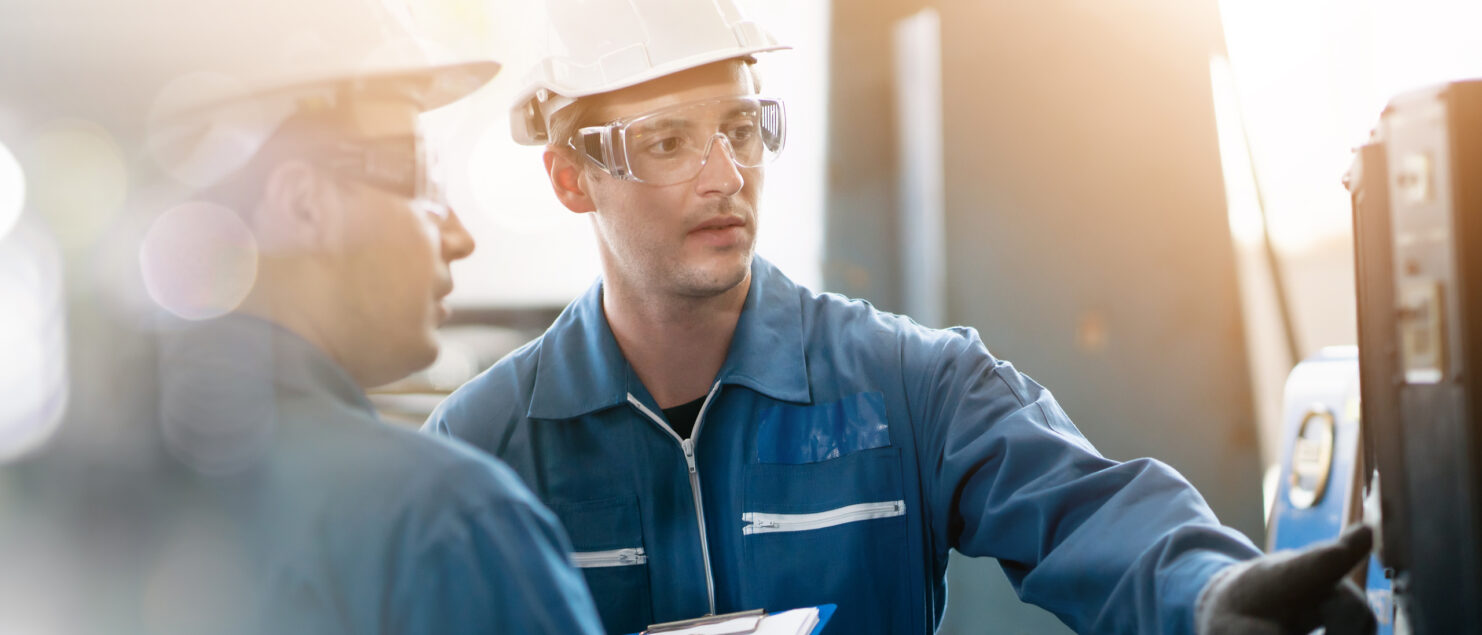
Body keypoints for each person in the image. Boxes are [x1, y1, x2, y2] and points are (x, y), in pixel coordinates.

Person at [426, 1, 1374, 633]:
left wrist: (1208, 594)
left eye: (742, 127)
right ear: (570, 178)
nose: (724, 176)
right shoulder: (484, 450)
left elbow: (1091, 507)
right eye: (668, 141)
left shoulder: (907, 385)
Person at [10, 0, 607, 632]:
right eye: (423, 181)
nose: (459, 236)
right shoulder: (444, 523)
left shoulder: (54, 523)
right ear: (303, 205)